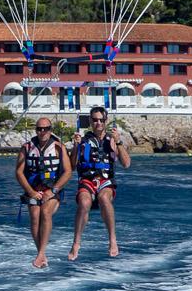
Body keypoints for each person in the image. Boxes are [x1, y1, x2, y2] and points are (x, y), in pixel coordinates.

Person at [68, 105, 130, 260]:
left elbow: (127, 164)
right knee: (84, 202)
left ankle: (112, 240)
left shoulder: (113, 140)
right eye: (95, 120)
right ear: (90, 121)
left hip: (105, 180)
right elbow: (71, 166)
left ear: (106, 121)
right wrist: (75, 147)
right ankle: (76, 243)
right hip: (87, 180)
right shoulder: (83, 140)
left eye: (101, 120)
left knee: (104, 198)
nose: (98, 123)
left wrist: (119, 142)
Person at [15, 117, 70, 268]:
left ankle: (40, 254)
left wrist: (53, 191)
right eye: (39, 129)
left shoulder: (59, 148)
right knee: (34, 216)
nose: (42, 132)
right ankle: (41, 254)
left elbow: (67, 172)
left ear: (51, 130)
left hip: (52, 191)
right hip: (33, 190)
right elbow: (19, 173)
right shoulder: (26, 148)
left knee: (45, 212)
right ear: (36, 130)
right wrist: (31, 192)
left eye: (46, 129)